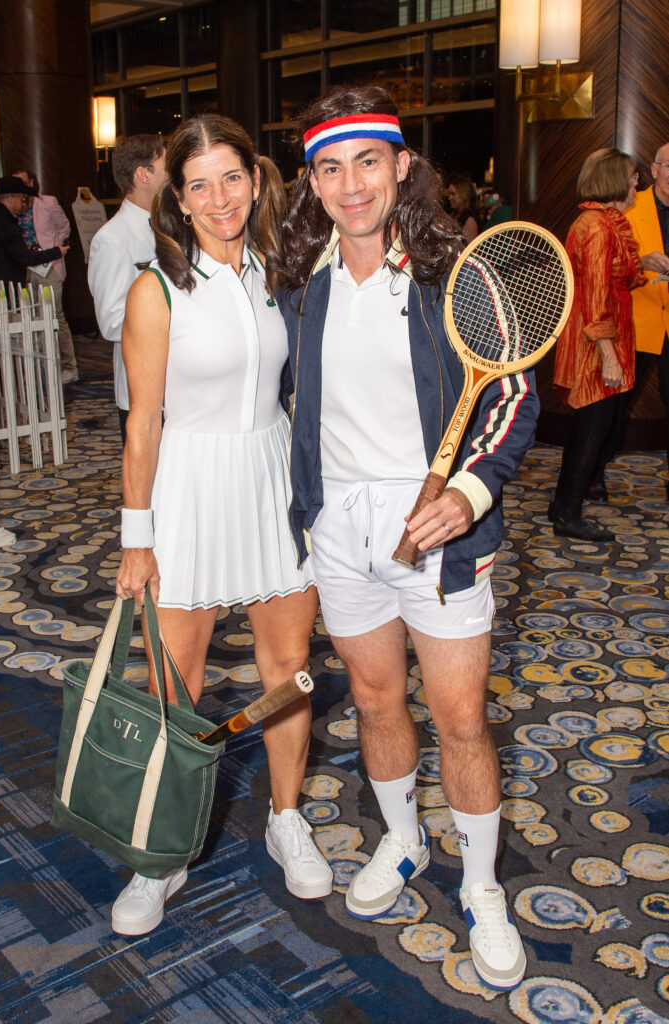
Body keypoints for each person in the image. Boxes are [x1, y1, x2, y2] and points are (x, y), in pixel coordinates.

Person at [274, 84, 539, 992]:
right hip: (340, 527)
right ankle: (401, 838)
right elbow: (290, 406)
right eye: (329, 167)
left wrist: (467, 498)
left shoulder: (457, 276)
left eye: (367, 163)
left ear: (402, 167)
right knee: (376, 701)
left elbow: (511, 398)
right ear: (312, 181)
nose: (350, 186)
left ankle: (480, 888)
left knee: (461, 718)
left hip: (437, 528)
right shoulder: (298, 288)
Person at [113, 114, 332, 937]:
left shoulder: (280, 273)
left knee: (287, 665)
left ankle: (284, 818)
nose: (218, 198)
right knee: (177, 685)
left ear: (256, 178)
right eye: (198, 184)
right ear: (177, 195)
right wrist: (138, 535)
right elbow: (141, 425)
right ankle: (158, 853)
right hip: (189, 487)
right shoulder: (156, 287)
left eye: (230, 178)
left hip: (269, 478)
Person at [550, 148, 644, 540]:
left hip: (600, 338)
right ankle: (568, 515)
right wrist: (609, 355)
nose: (638, 182)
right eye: (633, 175)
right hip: (596, 345)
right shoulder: (599, 227)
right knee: (594, 430)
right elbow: (594, 296)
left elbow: (613, 280)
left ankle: (562, 504)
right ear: (614, 180)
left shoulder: (600, 221)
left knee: (589, 428)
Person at [595, 142, 669, 500]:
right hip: (638, 323)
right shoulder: (629, 208)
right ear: (654, 170)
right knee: (616, 407)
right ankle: (595, 472)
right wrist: (645, 264)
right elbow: (614, 268)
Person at [88, 134, 168, 443]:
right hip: (143, 389)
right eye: (166, 167)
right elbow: (110, 322)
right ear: (143, 174)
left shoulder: (175, 226)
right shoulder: (112, 239)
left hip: (183, 388)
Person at [13, 169, 78, 384]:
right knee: (33, 319)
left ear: (32, 182)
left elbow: (64, 227)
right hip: (27, 268)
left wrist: (55, 249)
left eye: (23, 182)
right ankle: (44, 366)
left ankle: (68, 366)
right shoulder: (13, 208)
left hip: (49, 266)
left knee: (56, 316)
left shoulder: (47, 202)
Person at [0, 176, 69, 292]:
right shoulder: (5, 224)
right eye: (21, 198)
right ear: (10, 199)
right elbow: (25, 258)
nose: (23, 203)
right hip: (7, 288)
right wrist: (57, 251)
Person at [447, 173, 480, 243]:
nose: (449, 198)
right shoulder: (452, 215)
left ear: (464, 195)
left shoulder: (470, 221)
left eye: (453, 194)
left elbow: (467, 250)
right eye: (449, 194)